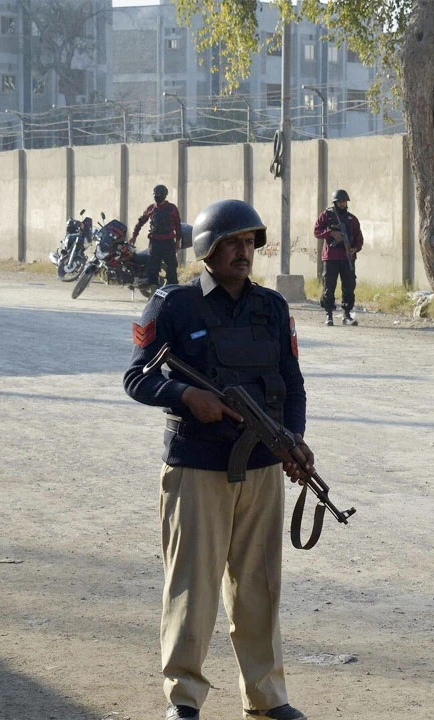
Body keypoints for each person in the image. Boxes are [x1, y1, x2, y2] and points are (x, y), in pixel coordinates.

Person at [124, 199, 312, 720]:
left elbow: (292, 384)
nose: (243, 252)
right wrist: (186, 395)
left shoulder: (272, 307)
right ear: (207, 249)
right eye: (232, 243)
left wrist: (293, 440)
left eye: (249, 242)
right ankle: (183, 698)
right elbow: (137, 377)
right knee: (193, 586)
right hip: (198, 467)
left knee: (260, 587)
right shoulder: (173, 305)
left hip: (261, 467)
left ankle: (266, 696)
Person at [312, 189, 363, 326]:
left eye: (344, 201)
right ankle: (328, 314)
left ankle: (347, 314)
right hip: (331, 257)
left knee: (349, 286)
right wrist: (331, 233)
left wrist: (354, 249)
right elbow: (317, 231)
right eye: (340, 202)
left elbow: (359, 239)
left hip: (347, 258)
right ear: (335, 202)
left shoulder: (352, 219)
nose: (342, 204)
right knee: (329, 286)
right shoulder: (326, 215)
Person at [131, 184, 183, 288]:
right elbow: (141, 222)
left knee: (172, 268)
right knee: (152, 269)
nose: (156, 197)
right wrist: (134, 236)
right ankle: (153, 290)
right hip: (155, 243)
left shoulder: (172, 208)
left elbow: (178, 225)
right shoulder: (151, 208)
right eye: (155, 195)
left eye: (158, 195)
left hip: (168, 242)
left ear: (164, 195)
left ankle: (172, 290)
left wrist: (178, 241)